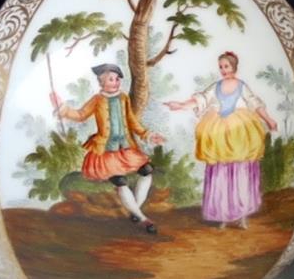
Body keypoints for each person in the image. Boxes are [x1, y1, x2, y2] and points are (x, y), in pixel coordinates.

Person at [165, 51, 276, 229]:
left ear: (234, 66)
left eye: (227, 66)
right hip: (218, 133)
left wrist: (268, 119)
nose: (224, 70)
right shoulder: (216, 87)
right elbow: (200, 99)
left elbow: (254, 103)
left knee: (241, 170)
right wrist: (180, 105)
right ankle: (223, 213)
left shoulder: (241, 86)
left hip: (240, 132)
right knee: (221, 172)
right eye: (221, 67)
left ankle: (241, 214)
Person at [51, 62, 159, 235]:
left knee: (147, 171)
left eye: (117, 79)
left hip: (126, 148)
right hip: (106, 151)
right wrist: (62, 108)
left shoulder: (123, 98)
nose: (116, 82)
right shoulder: (97, 100)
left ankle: (135, 211)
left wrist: (147, 134)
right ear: (101, 82)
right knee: (120, 181)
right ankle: (143, 219)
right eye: (111, 79)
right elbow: (80, 115)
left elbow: (132, 121)